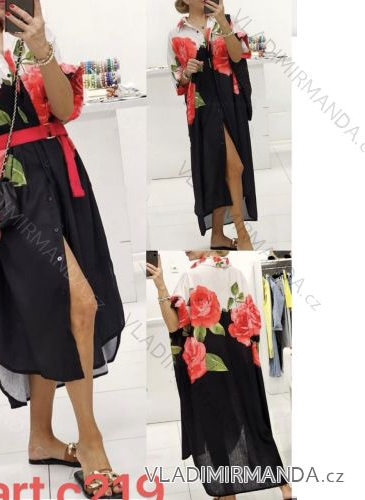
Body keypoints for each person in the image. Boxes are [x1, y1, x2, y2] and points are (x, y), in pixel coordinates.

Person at [0, 0, 125, 496]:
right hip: (12, 187)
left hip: (62, 171)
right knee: (78, 303)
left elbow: (64, 109)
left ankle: (41, 438)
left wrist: (41, 48)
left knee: (51, 309)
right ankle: (91, 442)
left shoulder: (30, 32)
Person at [147, 251, 293, 499]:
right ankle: (285, 488)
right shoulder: (238, 275)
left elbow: (175, 327)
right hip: (242, 364)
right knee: (253, 420)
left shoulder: (190, 276)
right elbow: (252, 326)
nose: (184, 250)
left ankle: (227, 492)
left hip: (207, 367)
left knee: (212, 425)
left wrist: (161, 286)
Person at [168, 0, 258, 250]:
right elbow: (178, 79)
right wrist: (187, 71)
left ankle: (217, 235)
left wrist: (222, 23)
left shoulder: (226, 20)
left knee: (221, 167)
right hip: (202, 104)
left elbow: (237, 56)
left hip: (231, 99)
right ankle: (242, 234)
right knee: (234, 166)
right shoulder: (176, 34)